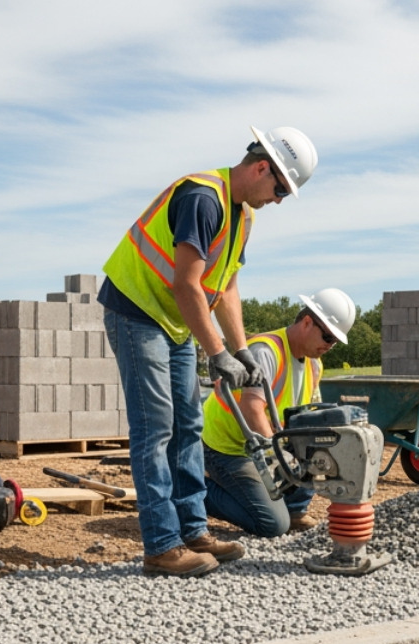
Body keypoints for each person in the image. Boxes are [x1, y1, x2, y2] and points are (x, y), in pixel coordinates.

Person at [99, 126, 318, 577]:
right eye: (279, 188)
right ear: (261, 167)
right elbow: (186, 282)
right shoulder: (204, 197)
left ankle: (193, 532)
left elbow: (227, 286)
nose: (277, 200)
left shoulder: (243, 216)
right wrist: (216, 352)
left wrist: (241, 351)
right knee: (156, 427)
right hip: (138, 308)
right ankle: (161, 545)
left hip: (175, 318)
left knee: (188, 424)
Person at [200, 288, 355, 536]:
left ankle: (294, 510)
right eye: (327, 337)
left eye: (335, 341)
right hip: (225, 447)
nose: (330, 345)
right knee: (271, 524)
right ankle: (190, 489)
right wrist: (281, 457)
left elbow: (310, 419)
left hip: (258, 443)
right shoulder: (266, 351)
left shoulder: (314, 365)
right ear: (307, 322)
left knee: (315, 442)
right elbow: (252, 410)